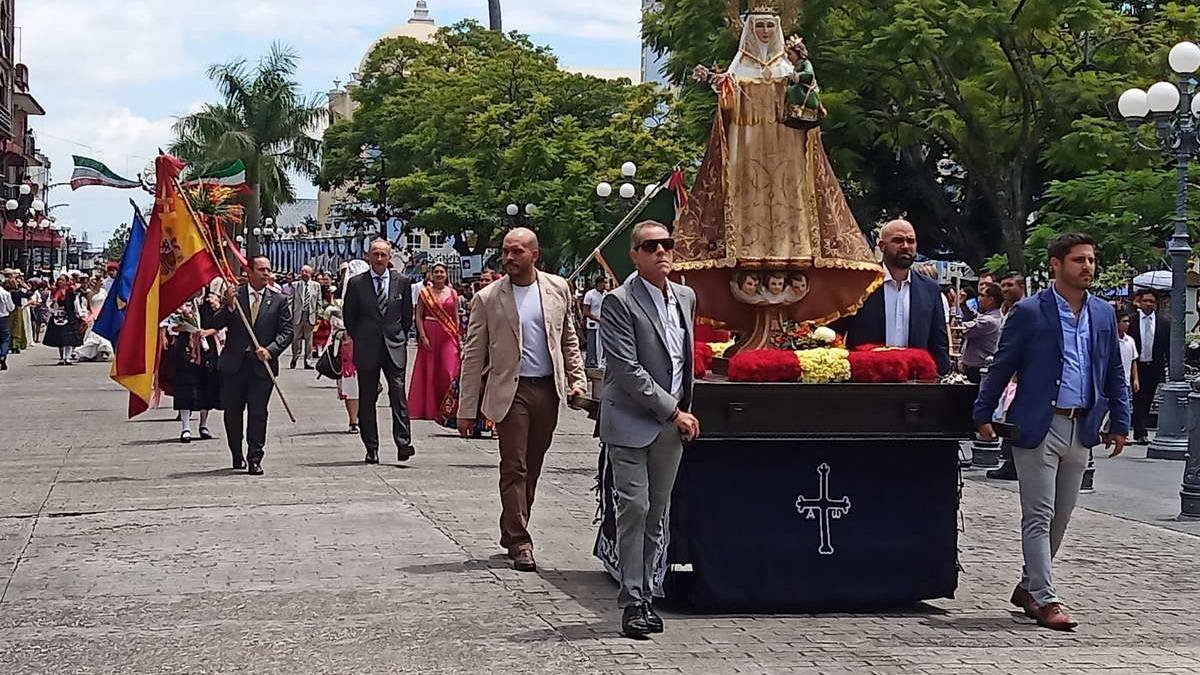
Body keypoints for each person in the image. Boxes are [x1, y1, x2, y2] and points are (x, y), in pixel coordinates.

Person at [974, 232, 1129, 631]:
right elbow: (1003, 363)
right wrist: (982, 412)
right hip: (1039, 423)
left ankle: (1028, 586)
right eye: (1079, 260)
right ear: (1056, 265)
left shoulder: (1102, 313)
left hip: (1082, 425)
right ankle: (1046, 599)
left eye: (1091, 260)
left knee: (1062, 515)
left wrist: (1121, 422)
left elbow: (1112, 369)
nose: (1088, 267)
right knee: (1039, 515)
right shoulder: (1030, 311)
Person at [458, 227, 586, 572]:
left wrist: (578, 381)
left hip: (548, 389)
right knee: (513, 464)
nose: (509, 258)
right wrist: (466, 409)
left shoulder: (558, 288)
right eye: (506, 251)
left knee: (533, 464)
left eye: (517, 252)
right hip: (510, 392)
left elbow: (569, 340)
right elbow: (473, 356)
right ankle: (519, 540)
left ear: (535, 254)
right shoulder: (487, 298)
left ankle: (511, 525)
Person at [599, 220, 700, 639]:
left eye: (667, 244)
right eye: (650, 246)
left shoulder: (686, 297)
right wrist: (673, 410)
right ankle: (632, 599)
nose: (661, 252)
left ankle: (648, 593)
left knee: (657, 515)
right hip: (631, 420)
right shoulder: (618, 301)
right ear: (635, 255)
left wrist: (680, 412)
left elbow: (683, 359)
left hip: (671, 426)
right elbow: (626, 369)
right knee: (634, 508)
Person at [210, 256, 294, 475]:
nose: (266, 273)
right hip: (234, 366)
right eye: (261, 269)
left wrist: (271, 350)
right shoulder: (234, 296)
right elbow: (215, 323)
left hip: (261, 367)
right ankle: (236, 454)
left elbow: (287, 333)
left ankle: (255, 456)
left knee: (258, 413)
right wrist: (227, 306)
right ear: (249, 272)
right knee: (233, 413)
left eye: (268, 269)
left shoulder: (278, 300)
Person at [839, 219, 951, 375]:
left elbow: (938, 343)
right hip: (867, 381)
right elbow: (837, 335)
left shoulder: (930, 289)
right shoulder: (859, 285)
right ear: (882, 246)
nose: (905, 246)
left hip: (915, 381)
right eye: (898, 240)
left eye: (911, 241)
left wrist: (940, 377)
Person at [343, 240, 415, 464]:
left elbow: (406, 317)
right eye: (376, 254)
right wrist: (362, 337)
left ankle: (403, 442)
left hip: (394, 346)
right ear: (368, 256)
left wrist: (398, 337)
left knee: (398, 394)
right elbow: (349, 317)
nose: (380, 258)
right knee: (367, 397)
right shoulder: (357, 283)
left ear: (390, 257)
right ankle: (371, 447)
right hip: (367, 347)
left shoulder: (401, 282)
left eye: (384, 254)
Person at [987, 271, 1030, 482]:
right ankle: (1009, 459)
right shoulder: (1005, 310)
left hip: (1018, 374)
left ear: (1021, 286)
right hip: (1004, 369)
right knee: (1006, 415)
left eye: (1009, 285)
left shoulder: (1027, 311)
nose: (1004, 289)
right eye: (1002, 285)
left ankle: (1014, 463)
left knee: (1014, 416)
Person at [167, 293, 223, 443]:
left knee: (207, 385)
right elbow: (171, 327)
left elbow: (219, 326)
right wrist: (183, 327)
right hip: (186, 349)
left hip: (206, 349)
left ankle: (203, 425)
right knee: (186, 386)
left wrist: (205, 332)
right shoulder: (179, 305)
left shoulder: (209, 305)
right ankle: (186, 427)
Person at [409, 262, 461, 420]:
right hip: (429, 331)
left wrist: (458, 336)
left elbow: (456, 316)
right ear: (431, 274)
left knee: (448, 370)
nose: (439, 274)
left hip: (448, 334)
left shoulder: (453, 293)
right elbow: (418, 315)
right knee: (429, 370)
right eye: (436, 272)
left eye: (442, 272)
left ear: (446, 275)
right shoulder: (425, 293)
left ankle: (447, 408)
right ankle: (428, 408)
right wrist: (422, 335)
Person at [1128, 289, 1169, 445]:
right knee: (1138, 398)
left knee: (1148, 399)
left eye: (1152, 301)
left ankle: (1140, 429)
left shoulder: (1164, 323)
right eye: (1146, 301)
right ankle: (1140, 432)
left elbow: (1167, 347)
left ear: (1156, 304)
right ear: (1140, 301)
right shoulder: (1131, 321)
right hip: (1136, 366)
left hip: (1154, 366)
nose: (1148, 304)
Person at [960, 284, 1004, 383]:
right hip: (976, 367)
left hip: (978, 368)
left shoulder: (989, 320)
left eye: (983, 296)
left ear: (991, 299)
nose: (980, 299)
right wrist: (963, 304)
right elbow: (974, 316)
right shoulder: (995, 315)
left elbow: (963, 329)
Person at [43, 275, 85, 365]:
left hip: (69, 316)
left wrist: (80, 315)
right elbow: (48, 304)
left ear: (66, 281)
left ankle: (68, 357)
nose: (60, 282)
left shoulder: (71, 292)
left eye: (62, 280)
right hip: (57, 317)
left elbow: (76, 304)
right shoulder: (54, 292)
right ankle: (62, 357)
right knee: (60, 337)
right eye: (59, 280)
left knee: (69, 338)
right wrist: (53, 310)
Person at [289, 265, 321, 369]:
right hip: (298, 315)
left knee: (309, 340)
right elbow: (290, 301)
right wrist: (289, 315)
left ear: (311, 273)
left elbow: (318, 302)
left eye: (306, 271)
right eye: (302, 271)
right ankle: (295, 357)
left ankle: (308, 361)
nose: (304, 273)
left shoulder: (316, 286)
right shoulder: (295, 285)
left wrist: (319, 315)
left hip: (310, 315)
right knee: (296, 338)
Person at [582, 276, 610, 368]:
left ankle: (601, 361)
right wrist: (598, 319)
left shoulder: (606, 295)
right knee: (593, 344)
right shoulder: (590, 294)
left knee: (602, 345)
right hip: (593, 324)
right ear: (599, 283)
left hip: (603, 324)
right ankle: (591, 363)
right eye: (604, 282)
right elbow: (586, 312)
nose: (606, 285)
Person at [0, 280, 13, 371]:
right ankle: (2, 355)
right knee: (4, 339)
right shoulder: (5, 293)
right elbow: (11, 307)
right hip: (3, 317)